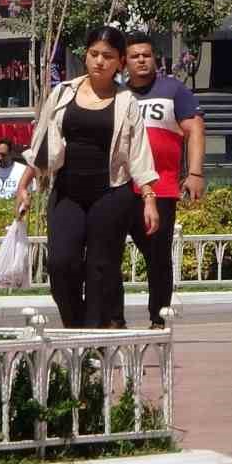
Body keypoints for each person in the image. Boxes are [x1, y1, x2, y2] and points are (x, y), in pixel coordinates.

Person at [14, 26, 161, 329]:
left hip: (110, 194)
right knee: (60, 264)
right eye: (94, 54)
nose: (99, 62)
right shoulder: (63, 93)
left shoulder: (126, 102)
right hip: (67, 191)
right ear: (85, 55)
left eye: (108, 56)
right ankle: (75, 326)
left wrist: (148, 198)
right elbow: (42, 144)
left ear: (120, 62)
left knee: (100, 269)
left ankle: (92, 338)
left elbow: (138, 153)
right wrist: (24, 184)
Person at [124, 32, 205, 330]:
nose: (142, 60)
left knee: (157, 257)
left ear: (155, 58)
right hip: (121, 188)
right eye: (135, 56)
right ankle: (111, 319)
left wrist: (194, 173)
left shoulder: (174, 90)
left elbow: (195, 129)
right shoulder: (119, 94)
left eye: (146, 54)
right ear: (125, 62)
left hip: (161, 189)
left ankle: (159, 317)